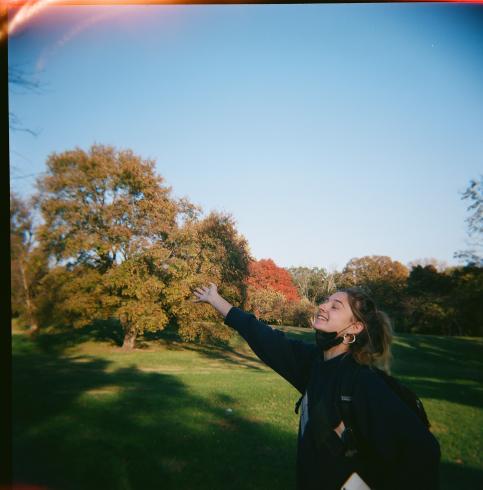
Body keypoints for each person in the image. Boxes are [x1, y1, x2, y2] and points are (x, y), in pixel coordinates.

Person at [193, 283, 441, 490]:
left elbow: (423, 453)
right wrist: (216, 299)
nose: (323, 306)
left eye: (336, 306)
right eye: (325, 301)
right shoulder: (313, 363)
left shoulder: (362, 382)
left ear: (355, 328)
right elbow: (261, 335)